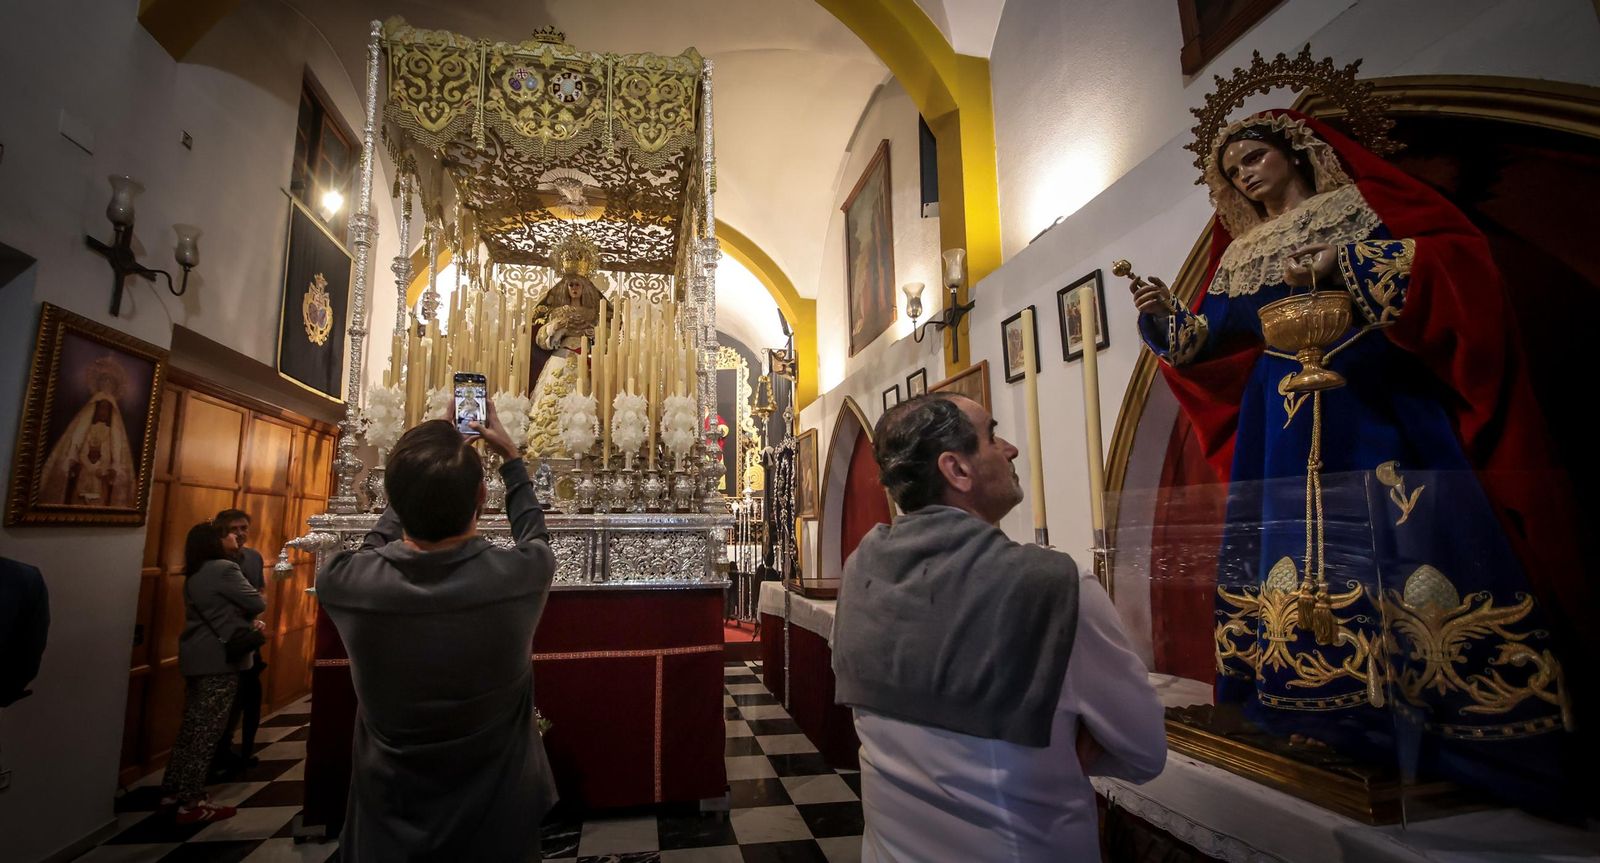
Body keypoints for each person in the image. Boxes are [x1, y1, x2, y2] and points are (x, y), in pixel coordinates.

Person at [1129, 109, 1584, 806]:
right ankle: (1305, 699)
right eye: (1234, 171)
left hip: (1371, 395)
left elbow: (1449, 266)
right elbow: (1210, 338)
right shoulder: (1244, 252)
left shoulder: (1360, 210)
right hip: (1278, 419)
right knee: (1289, 549)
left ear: (1296, 151)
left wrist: (1341, 261)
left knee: (1406, 539)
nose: (1246, 175)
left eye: (1253, 157)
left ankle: (1432, 711)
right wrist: (1165, 317)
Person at [832, 393, 1166, 862]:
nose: (1009, 448)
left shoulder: (859, 572)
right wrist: (1062, 744)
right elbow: (1146, 751)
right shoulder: (1053, 588)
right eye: (991, 435)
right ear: (957, 470)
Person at [316, 402, 558, 861]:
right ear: (482, 497)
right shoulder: (521, 575)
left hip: (390, 813)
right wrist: (512, 459)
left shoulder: (345, 582)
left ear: (396, 497)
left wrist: (420, 465)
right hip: (497, 816)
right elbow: (535, 536)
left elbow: (374, 546)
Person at [161, 522, 266, 824]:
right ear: (215, 541)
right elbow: (256, 601)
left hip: (196, 654)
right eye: (229, 534)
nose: (236, 537)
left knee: (191, 728)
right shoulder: (223, 569)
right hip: (219, 659)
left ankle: (172, 791)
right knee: (207, 732)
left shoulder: (194, 571)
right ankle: (191, 802)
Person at [211, 508, 266, 775]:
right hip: (222, 640)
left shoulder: (253, 557)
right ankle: (216, 753)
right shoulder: (214, 563)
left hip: (248, 637)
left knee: (249, 695)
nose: (241, 534)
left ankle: (243, 750)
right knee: (218, 704)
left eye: (244, 528)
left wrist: (255, 615)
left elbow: (259, 594)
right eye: (234, 529)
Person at [527, 271, 603, 456]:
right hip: (561, 358)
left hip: (585, 361)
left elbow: (605, 342)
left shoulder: (593, 313)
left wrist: (593, 334)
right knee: (554, 398)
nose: (574, 289)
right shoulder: (558, 312)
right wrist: (557, 326)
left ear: (584, 288)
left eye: (578, 285)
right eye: (571, 285)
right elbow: (542, 339)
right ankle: (549, 444)